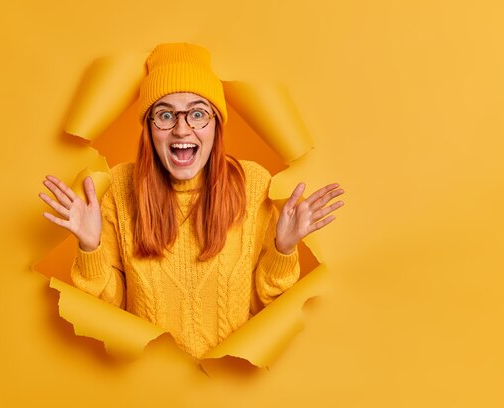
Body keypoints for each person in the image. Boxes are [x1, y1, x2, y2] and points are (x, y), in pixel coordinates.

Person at [39, 43, 344, 359]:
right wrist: (90, 248)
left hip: (231, 391)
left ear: (216, 125)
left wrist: (284, 249)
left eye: (197, 113)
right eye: (166, 115)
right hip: (146, 389)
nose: (181, 129)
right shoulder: (119, 188)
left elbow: (267, 314)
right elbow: (112, 317)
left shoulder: (253, 185)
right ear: (148, 128)